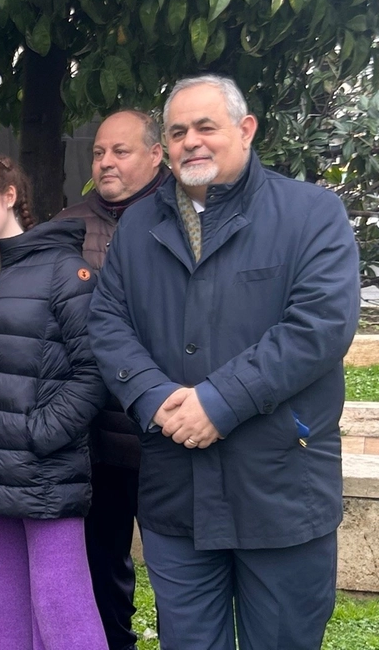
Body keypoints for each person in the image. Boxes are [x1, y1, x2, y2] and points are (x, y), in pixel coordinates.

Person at [87, 75, 360, 650]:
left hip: (280, 487)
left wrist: (218, 401)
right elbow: (108, 325)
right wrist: (154, 397)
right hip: (176, 489)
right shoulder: (140, 225)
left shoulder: (311, 213)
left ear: (245, 129)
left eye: (206, 127)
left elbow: (318, 327)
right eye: (178, 131)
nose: (192, 142)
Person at [0, 154, 107, 650]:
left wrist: (41, 434)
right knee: (1, 626)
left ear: (10, 196)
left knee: (65, 620)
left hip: (44, 476)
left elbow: (96, 371)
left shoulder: (65, 271)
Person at [53, 110, 168, 650]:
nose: (106, 162)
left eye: (120, 151)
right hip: (95, 435)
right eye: (99, 152)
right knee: (103, 569)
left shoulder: (186, 217)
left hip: (170, 433)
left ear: (156, 155)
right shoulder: (69, 224)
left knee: (176, 572)